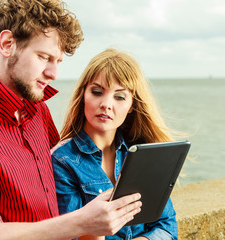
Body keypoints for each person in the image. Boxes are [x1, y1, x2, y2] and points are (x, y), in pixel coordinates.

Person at [0, 1, 142, 240]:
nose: (53, 74)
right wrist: (81, 221)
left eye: (57, 62)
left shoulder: (37, 110)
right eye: (44, 57)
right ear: (7, 44)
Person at [51, 48, 179, 240]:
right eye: (97, 92)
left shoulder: (143, 155)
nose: (106, 104)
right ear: (83, 95)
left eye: (119, 96)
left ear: (131, 106)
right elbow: (69, 235)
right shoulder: (62, 161)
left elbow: (167, 225)